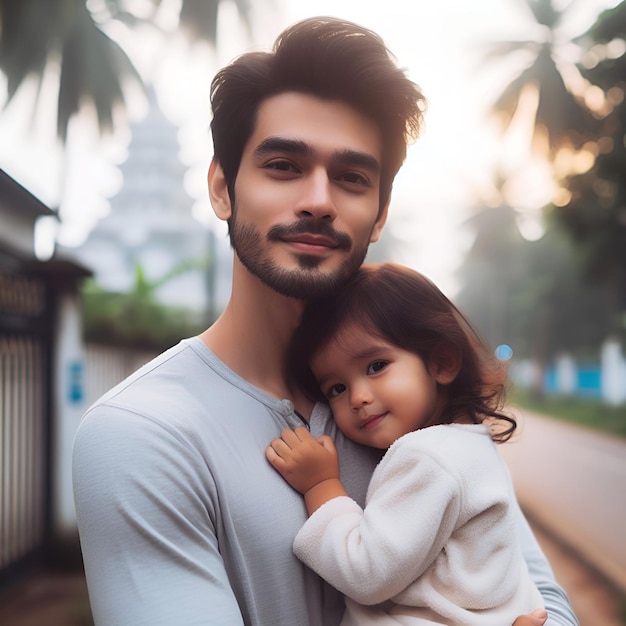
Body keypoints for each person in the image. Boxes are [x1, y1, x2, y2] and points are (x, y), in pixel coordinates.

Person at [72, 16, 577, 626]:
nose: (319, 199)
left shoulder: (422, 419)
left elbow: (542, 604)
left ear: (380, 212)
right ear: (223, 188)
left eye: (351, 177)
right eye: (284, 165)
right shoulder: (143, 434)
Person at [266, 262, 545, 625]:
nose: (358, 397)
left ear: (441, 362)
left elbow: (365, 573)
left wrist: (322, 486)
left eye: (376, 365)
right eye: (337, 387)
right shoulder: (471, 446)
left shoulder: (427, 457)